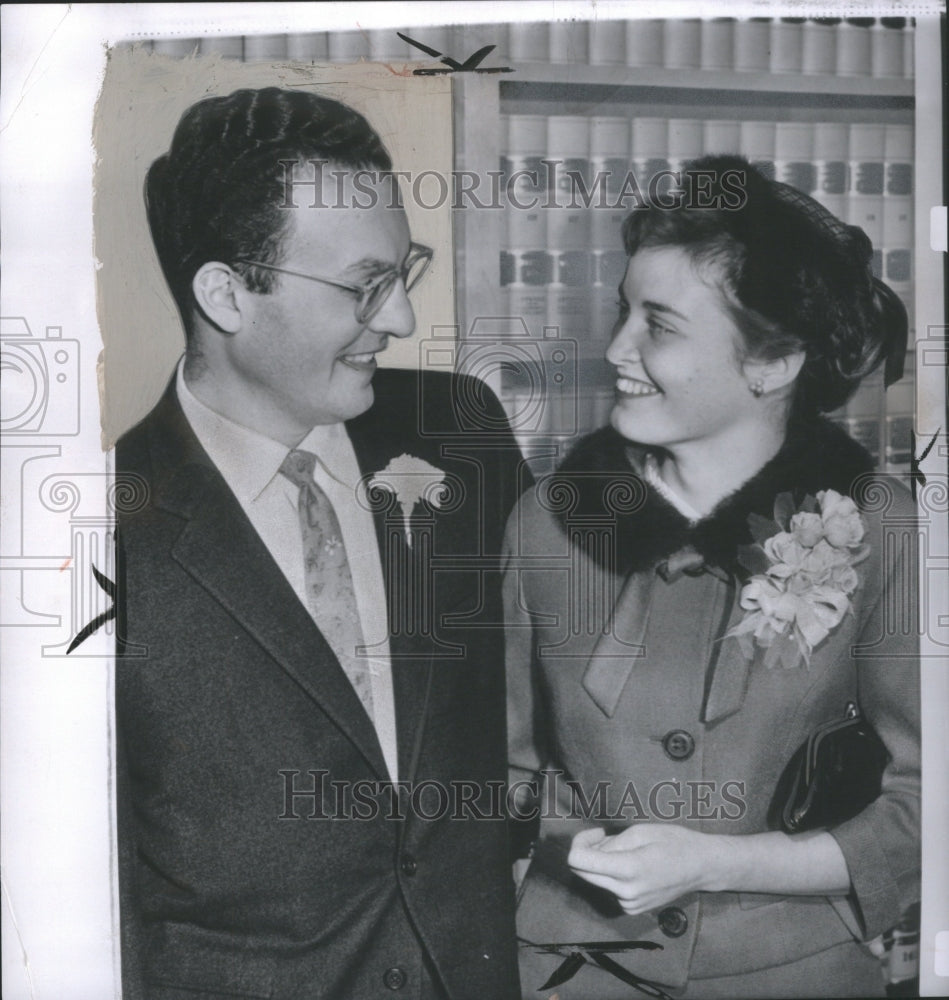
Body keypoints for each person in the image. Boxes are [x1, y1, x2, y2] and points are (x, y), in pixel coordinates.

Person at [114, 87, 526, 999]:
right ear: (226, 294)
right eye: (362, 286)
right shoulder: (99, 532)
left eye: (403, 271)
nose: (402, 320)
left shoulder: (459, 430)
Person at [505, 155, 919, 998]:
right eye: (624, 312)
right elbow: (493, 777)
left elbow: (927, 809)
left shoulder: (879, 527)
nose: (616, 349)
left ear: (772, 364)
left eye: (657, 325)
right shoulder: (542, 521)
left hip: (795, 972)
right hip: (571, 973)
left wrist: (718, 861)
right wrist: (555, 851)